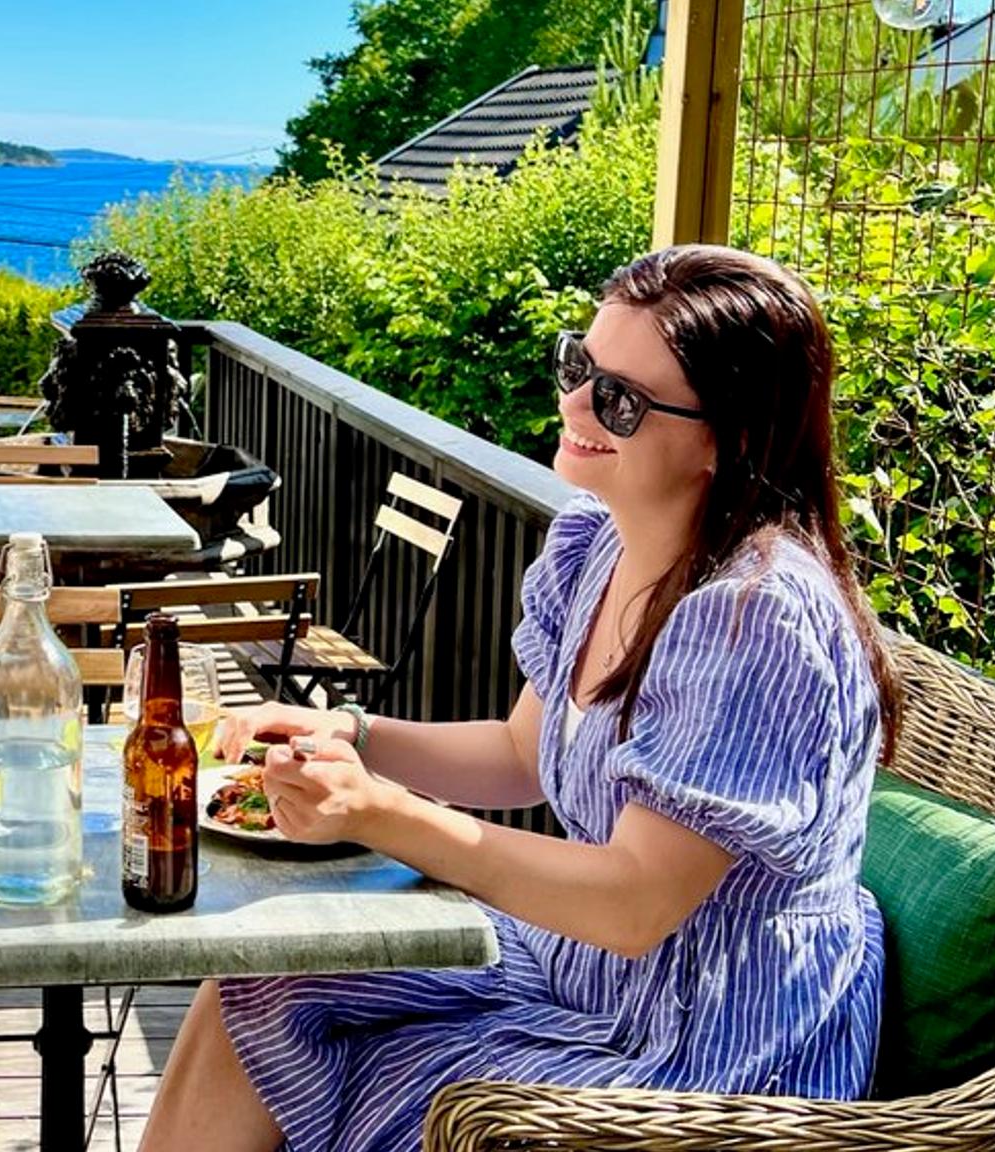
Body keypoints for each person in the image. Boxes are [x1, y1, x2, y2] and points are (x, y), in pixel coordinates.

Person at [141, 245, 901, 1152]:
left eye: (619, 399)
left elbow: (634, 904)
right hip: (592, 966)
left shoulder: (754, 618)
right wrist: (352, 730)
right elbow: (520, 756)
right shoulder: (601, 542)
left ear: (729, 439)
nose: (576, 405)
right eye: (580, 365)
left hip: (710, 1039)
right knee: (264, 980)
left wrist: (379, 814)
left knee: (404, 1089)